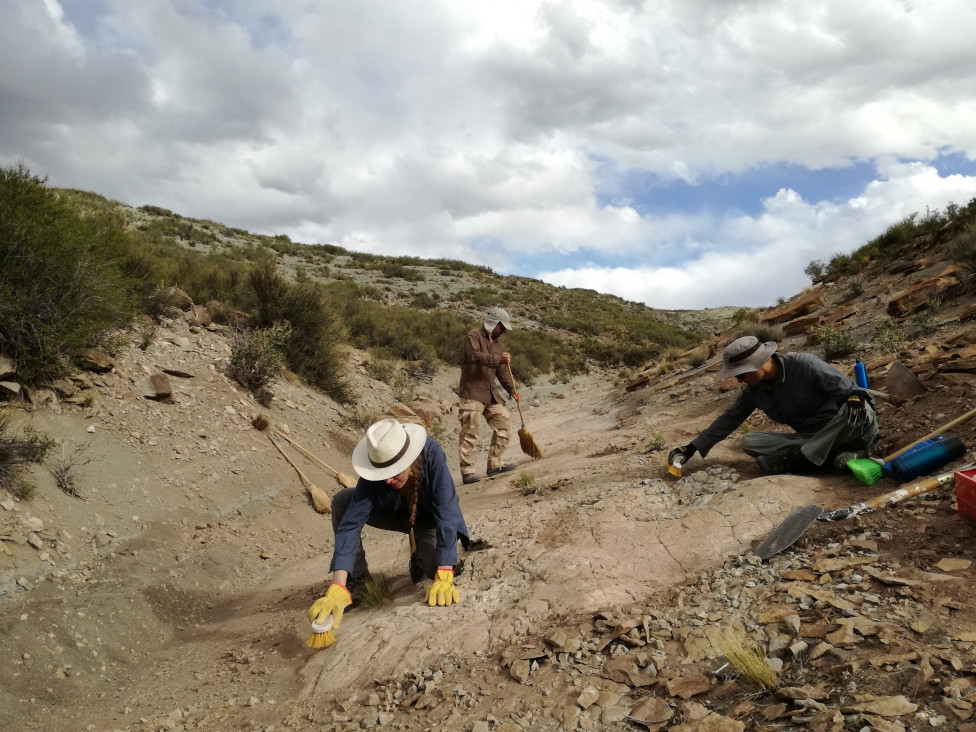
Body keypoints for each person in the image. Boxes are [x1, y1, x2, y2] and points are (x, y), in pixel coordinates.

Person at [307, 418, 469, 647]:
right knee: (343, 501)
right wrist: (337, 587)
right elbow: (350, 525)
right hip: (394, 514)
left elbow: (447, 509)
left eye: (394, 473)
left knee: (430, 568)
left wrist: (445, 569)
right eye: (382, 474)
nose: (388, 480)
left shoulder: (432, 453)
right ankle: (359, 581)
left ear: (410, 459)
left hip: (428, 519)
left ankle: (421, 555)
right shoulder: (377, 469)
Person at [668, 335, 879, 475]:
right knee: (750, 441)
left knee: (857, 409)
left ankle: (808, 459)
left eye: (741, 374)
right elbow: (730, 419)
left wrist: (854, 397)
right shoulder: (754, 391)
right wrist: (692, 447)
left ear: (760, 362)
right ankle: (832, 457)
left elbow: (854, 393)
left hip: (845, 429)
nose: (739, 380)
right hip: (811, 437)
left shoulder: (805, 365)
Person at [457, 306, 521, 484]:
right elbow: (474, 356)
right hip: (472, 393)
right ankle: (468, 472)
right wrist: (497, 359)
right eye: (503, 328)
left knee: (504, 424)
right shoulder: (473, 336)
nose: (504, 332)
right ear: (495, 324)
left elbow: (502, 372)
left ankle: (494, 464)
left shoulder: (498, 345)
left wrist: (512, 391)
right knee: (470, 432)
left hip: (491, 393)